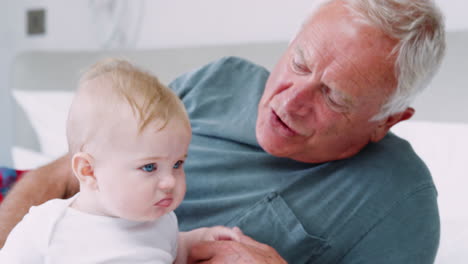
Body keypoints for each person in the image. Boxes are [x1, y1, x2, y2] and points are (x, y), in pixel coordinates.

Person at [0, 0, 446, 263]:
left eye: (333, 96)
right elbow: (61, 176)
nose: (288, 102)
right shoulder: (220, 79)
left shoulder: (399, 202)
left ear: (386, 121)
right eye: (299, 62)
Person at [0, 59, 239, 263]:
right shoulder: (47, 225)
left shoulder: (162, 222)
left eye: (177, 164)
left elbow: (175, 251)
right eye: (149, 167)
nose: (169, 181)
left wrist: (202, 239)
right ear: (88, 170)